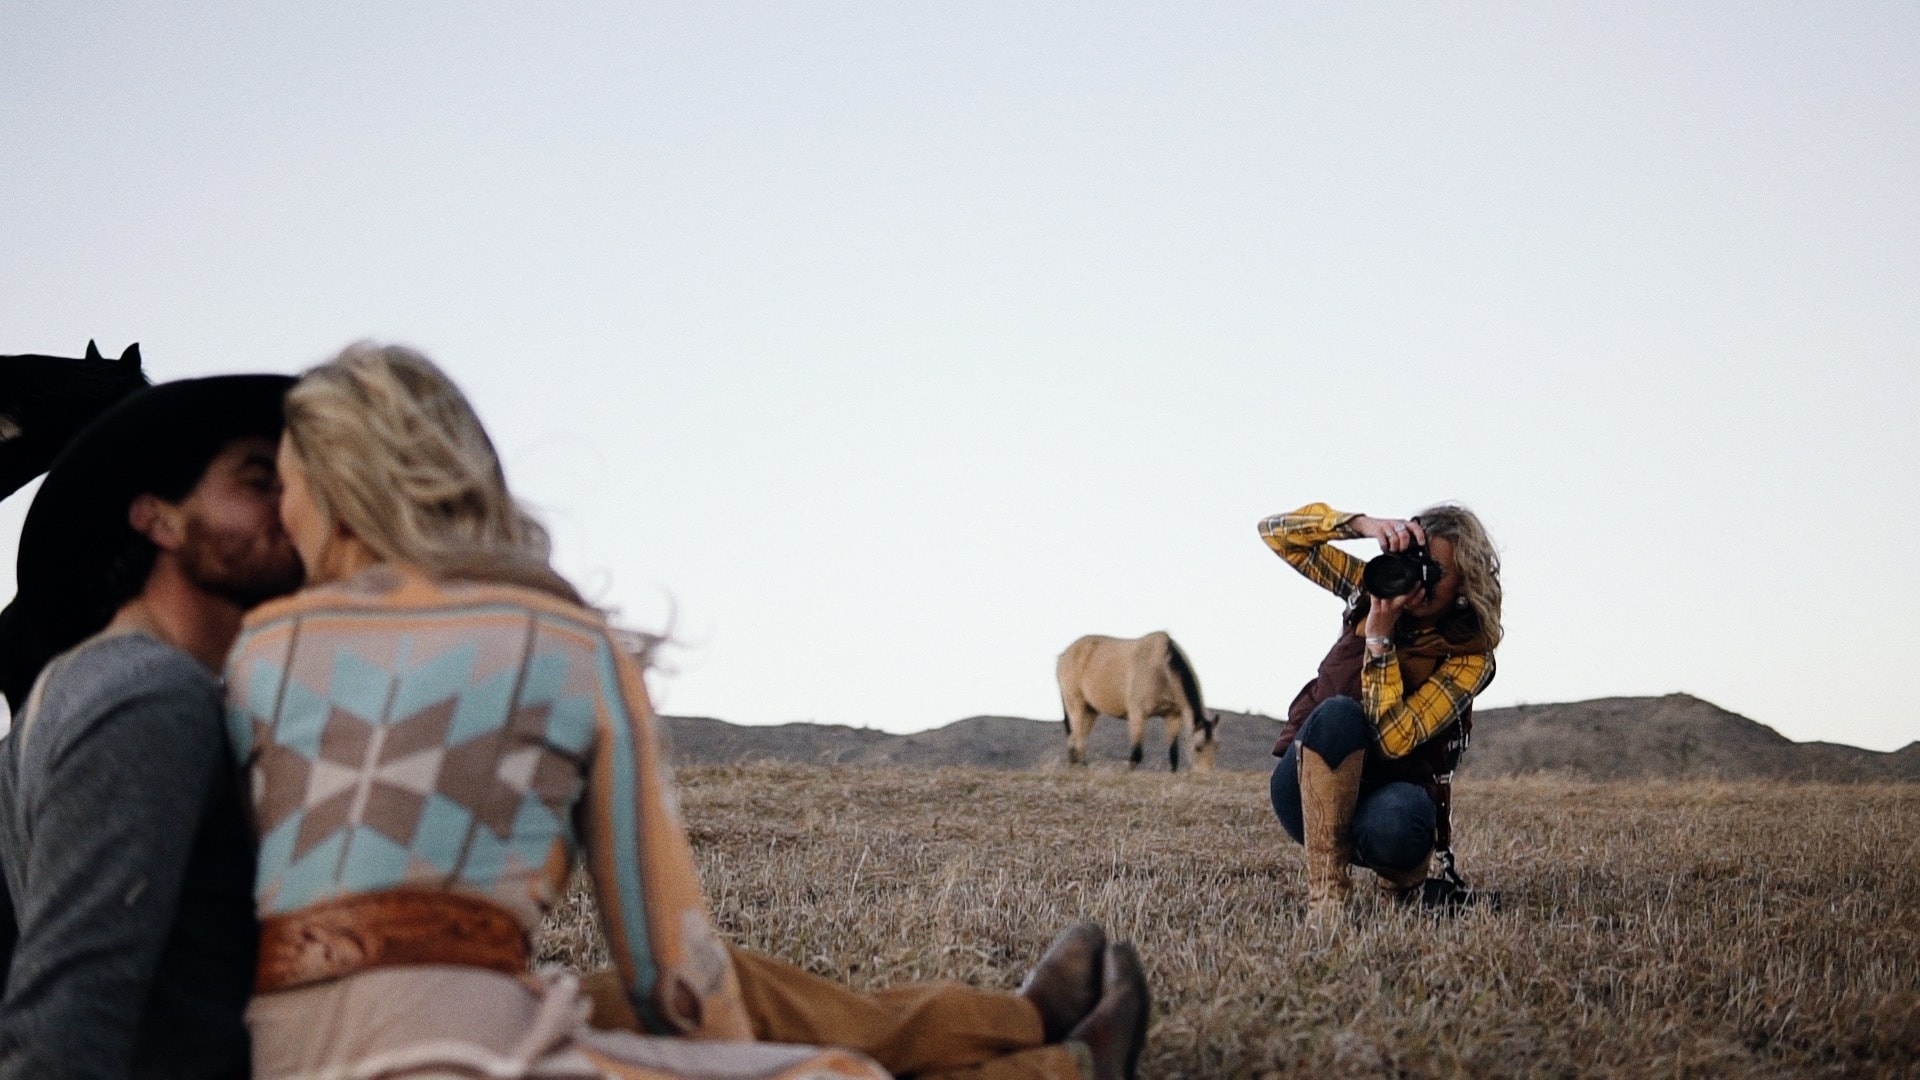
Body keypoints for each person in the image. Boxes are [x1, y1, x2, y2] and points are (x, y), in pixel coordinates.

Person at [226, 342, 1151, 1080]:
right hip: (476, 1045)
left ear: (334, 489)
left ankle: (1035, 1043)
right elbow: (675, 979)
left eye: (283, 482)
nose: (281, 514)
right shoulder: (568, 645)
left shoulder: (254, 652)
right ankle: (1043, 1065)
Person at [0, 374, 306, 1078]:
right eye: (258, 481)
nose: (289, 510)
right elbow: (71, 1010)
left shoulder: (69, 691)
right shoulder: (153, 696)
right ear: (159, 520)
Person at [1258, 502, 1502, 922]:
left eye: (1435, 573)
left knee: (1401, 821)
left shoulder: (1469, 658)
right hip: (1309, 793)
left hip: (1389, 805)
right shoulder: (1368, 590)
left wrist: (1379, 642)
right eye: (1412, 563)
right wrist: (1363, 526)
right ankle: (1327, 895)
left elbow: (1392, 739)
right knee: (1337, 714)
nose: (1416, 583)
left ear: (1465, 582)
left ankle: (1401, 883)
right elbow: (1276, 533)